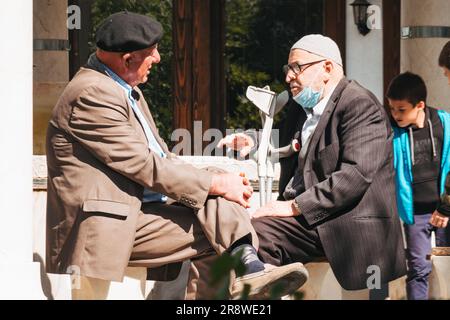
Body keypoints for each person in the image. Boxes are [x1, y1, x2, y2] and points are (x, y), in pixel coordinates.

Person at [45, 11, 308, 300]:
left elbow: (163, 157)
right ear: (128, 59)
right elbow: (145, 165)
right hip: (104, 223)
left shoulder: (124, 89)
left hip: (135, 212)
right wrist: (216, 184)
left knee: (216, 205)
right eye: (151, 52)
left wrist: (216, 180)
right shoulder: (92, 94)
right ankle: (249, 266)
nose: (158, 58)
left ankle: (249, 266)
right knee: (214, 224)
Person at [218, 34, 406, 292]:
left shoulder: (360, 104)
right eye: (288, 69)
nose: (288, 77)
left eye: (297, 67)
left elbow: (355, 176)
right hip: (309, 222)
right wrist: (252, 140)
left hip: (346, 225)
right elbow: (285, 143)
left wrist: (291, 207)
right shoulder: (300, 108)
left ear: (326, 68)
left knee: (254, 233)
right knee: (239, 232)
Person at [387, 71, 450, 300]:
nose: (395, 115)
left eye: (401, 109)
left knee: (448, 265)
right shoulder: (393, 134)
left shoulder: (445, 123)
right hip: (416, 214)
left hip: (447, 209)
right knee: (417, 269)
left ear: (420, 105)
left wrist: (446, 207)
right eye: (392, 109)